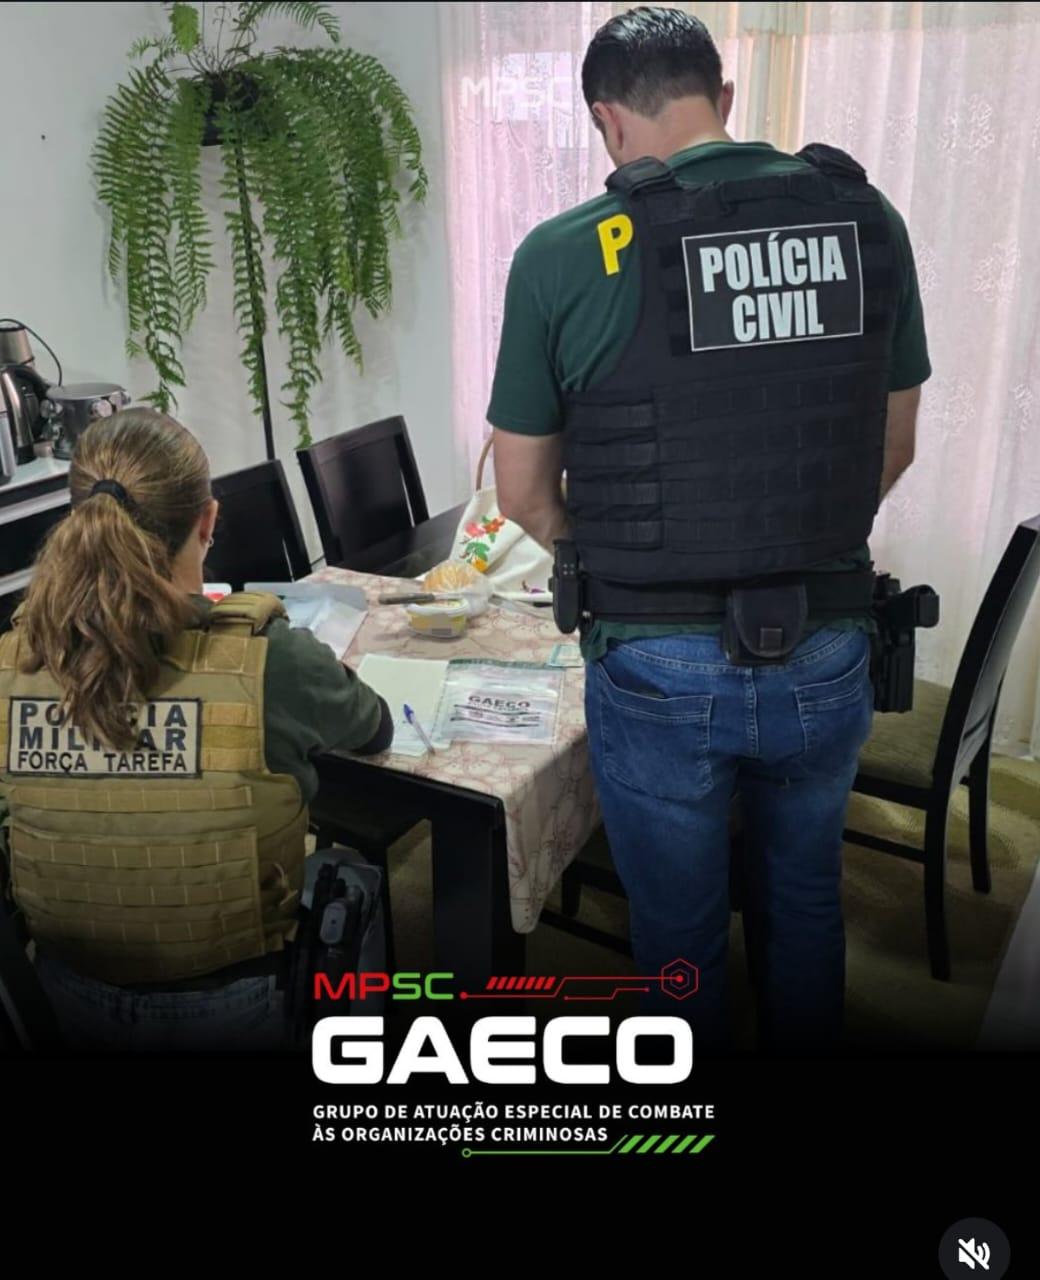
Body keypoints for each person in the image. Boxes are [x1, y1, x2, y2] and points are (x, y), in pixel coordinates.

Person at [488, 7, 930, 1054]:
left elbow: (524, 494)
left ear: (605, 119)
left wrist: (626, 550)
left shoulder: (563, 253)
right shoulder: (864, 217)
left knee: (678, 938)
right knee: (804, 900)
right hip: (828, 642)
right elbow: (893, 447)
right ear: (723, 98)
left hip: (653, 659)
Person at [0, 407, 393, 1051]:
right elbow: (373, 728)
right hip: (242, 1003)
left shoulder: (13, 662)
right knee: (355, 878)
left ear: (76, 518)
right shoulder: (267, 657)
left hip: (60, 997)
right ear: (207, 522)